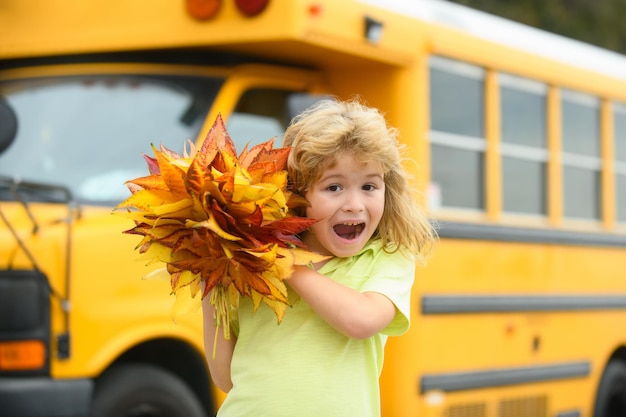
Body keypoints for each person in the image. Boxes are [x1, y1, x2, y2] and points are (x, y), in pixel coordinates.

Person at [202, 98, 437, 417]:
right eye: (334, 187)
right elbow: (227, 377)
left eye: (369, 186)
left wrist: (284, 263)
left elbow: (362, 320)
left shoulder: (385, 256)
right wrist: (209, 279)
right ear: (298, 195)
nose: (354, 204)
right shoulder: (253, 264)